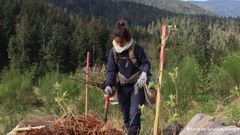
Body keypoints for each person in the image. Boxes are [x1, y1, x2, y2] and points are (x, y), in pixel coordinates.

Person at [104, 19, 151, 135]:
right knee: (126, 118)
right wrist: (109, 85)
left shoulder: (135, 48)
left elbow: (146, 63)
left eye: (121, 41)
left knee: (134, 115)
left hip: (136, 86)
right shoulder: (113, 52)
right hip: (122, 88)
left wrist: (144, 74)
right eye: (117, 41)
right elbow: (111, 70)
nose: (119, 44)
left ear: (126, 38)